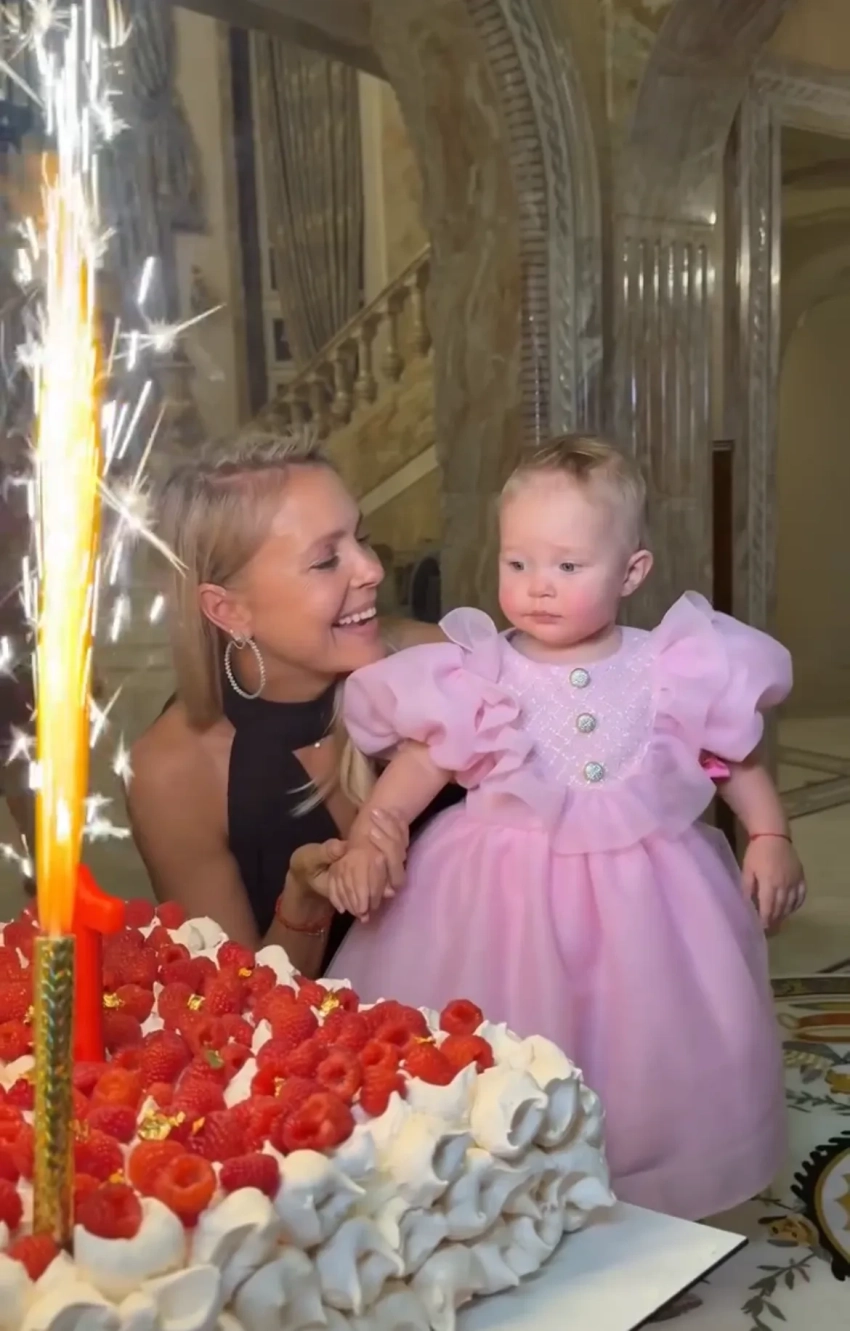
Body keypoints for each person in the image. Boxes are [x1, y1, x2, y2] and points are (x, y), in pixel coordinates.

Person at [322, 434, 805, 1221]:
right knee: (500, 1040)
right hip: (500, 897)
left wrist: (769, 835)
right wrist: (376, 828)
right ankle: (500, 1182)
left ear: (631, 572)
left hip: (646, 897)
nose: (538, 585)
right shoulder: (481, 672)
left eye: (568, 566)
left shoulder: (668, 665)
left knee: (642, 1037)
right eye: (518, 562)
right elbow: (423, 763)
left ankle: (642, 1173)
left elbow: (731, 755)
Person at [127, 429, 459, 975]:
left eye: (361, 538)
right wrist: (304, 905)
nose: (372, 570)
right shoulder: (173, 772)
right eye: (326, 561)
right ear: (229, 611)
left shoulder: (441, 664)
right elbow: (236, 1006)